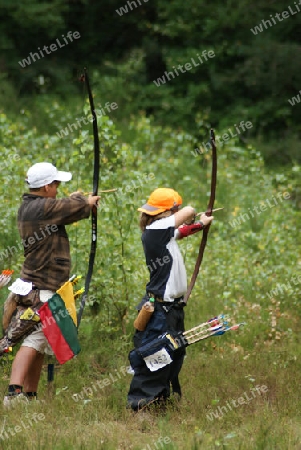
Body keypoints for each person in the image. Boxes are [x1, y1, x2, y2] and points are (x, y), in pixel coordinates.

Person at [3, 162, 100, 406]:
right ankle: (13, 395)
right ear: (46, 187)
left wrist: (81, 201)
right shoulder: (39, 208)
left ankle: (29, 395)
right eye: (56, 185)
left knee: (41, 339)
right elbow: (67, 208)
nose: (58, 189)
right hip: (40, 285)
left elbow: (65, 208)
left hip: (40, 284)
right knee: (34, 339)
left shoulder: (35, 207)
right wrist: (85, 202)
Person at [127, 188, 214, 411]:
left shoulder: (163, 232)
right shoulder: (155, 228)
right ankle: (141, 407)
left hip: (171, 309)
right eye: (174, 209)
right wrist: (192, 213)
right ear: (168, 211)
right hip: (160, 311)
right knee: (156, 357)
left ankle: (160, 401)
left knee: (173, 354)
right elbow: (190, 211)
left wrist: (201, 225)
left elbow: (182, 231)